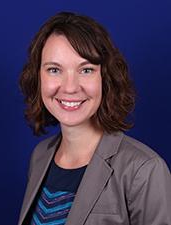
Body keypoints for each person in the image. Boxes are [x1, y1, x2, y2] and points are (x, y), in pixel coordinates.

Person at [18, 11, 171, 225]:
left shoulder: (144, 170)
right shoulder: (40, 156)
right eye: (54, 69)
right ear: (37, 77)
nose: (70, 87)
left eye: (86, 70)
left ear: (105, 79)